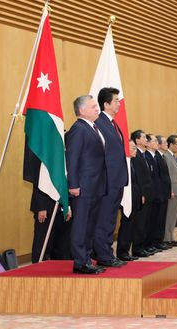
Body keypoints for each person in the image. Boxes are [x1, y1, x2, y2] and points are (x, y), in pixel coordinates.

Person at [66, 95, 107, 274]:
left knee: (90, 225)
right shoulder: (78, 129)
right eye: (93, 106)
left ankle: (87, 259)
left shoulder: (93, 128)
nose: (97, 109)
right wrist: (73, 184)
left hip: (95, 186)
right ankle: (80, 262)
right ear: (82, 110)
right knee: (81, 225)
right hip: (83, 187)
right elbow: (72, 159)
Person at [93, 87, 128, 268]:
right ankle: (104, 256)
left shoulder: (113, 124)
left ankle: (108, 253)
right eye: (116, 100)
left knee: (111, 220)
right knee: (104, 219)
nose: (119, 103)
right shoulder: (99, 123)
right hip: (106, 182)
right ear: (106, 104)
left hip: (117, 181)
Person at [30, 186, 72, 263]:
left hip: (60, 206)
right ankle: (38, 269)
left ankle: (56, 268)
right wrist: (41, 207)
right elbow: (39, 183)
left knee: (60, 244)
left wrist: (67, 206)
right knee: (42, 243)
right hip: (46, 206)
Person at [130, 130, 154, 258]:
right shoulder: (136, 155)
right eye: (144, 137)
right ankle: (137, 248)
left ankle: (142, 246)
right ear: (137, 140)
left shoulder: (142, 154)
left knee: (144, 222)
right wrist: (142, 194)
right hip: (141, 193)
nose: (146, 139)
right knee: (139, 223)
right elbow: (138, 177)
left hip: (147, 192)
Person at [115, 140, 141, 261]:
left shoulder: (132, 162)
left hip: (134, 197)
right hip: (125, 198)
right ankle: (122, 251)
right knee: (126, 225)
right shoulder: (123, 163)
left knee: (131, 225)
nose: (135, 150)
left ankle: (126, 250)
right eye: (133, 148)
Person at [163, 135, 177, 246]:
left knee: (174, 215)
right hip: (173, 190)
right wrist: (170, 190)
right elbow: (168, 176)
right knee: (169, 215)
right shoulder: (166, 156)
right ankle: (166, 238)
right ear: (170, 145)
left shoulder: (173, 156)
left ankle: (171, 236)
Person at [155, 135, 172, 250]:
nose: (167, 144)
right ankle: (155, 242)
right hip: (158, 194)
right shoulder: (155, 157)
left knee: (161, 219)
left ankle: (159, 241)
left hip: (164, 193)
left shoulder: (161, 156)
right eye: (164, 142)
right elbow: (157, 178)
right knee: (157, 219)